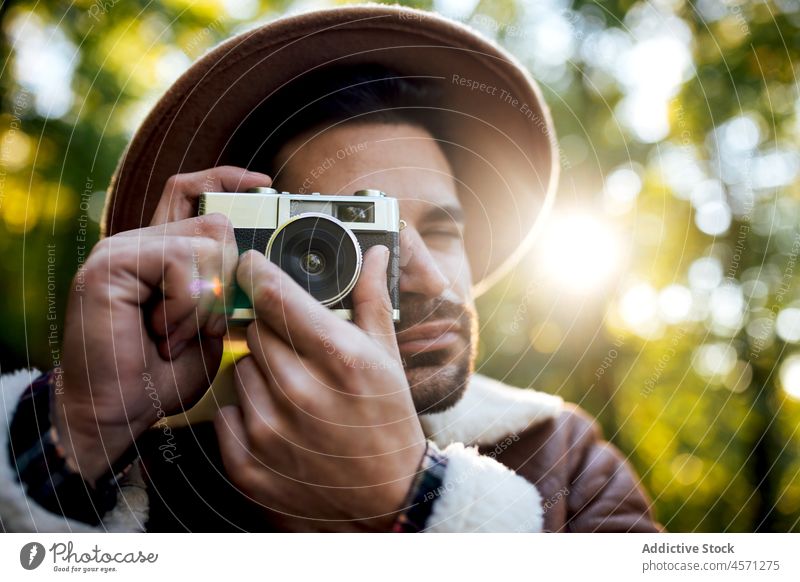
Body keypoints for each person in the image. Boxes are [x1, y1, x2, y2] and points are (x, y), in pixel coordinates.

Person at [0, 5, 661, 532]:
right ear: (246, 258)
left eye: (442, 228)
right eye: (353, 240)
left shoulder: (559, 451)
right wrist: (79, 430)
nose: (430, 278)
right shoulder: (143, 464)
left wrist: (416, 504)